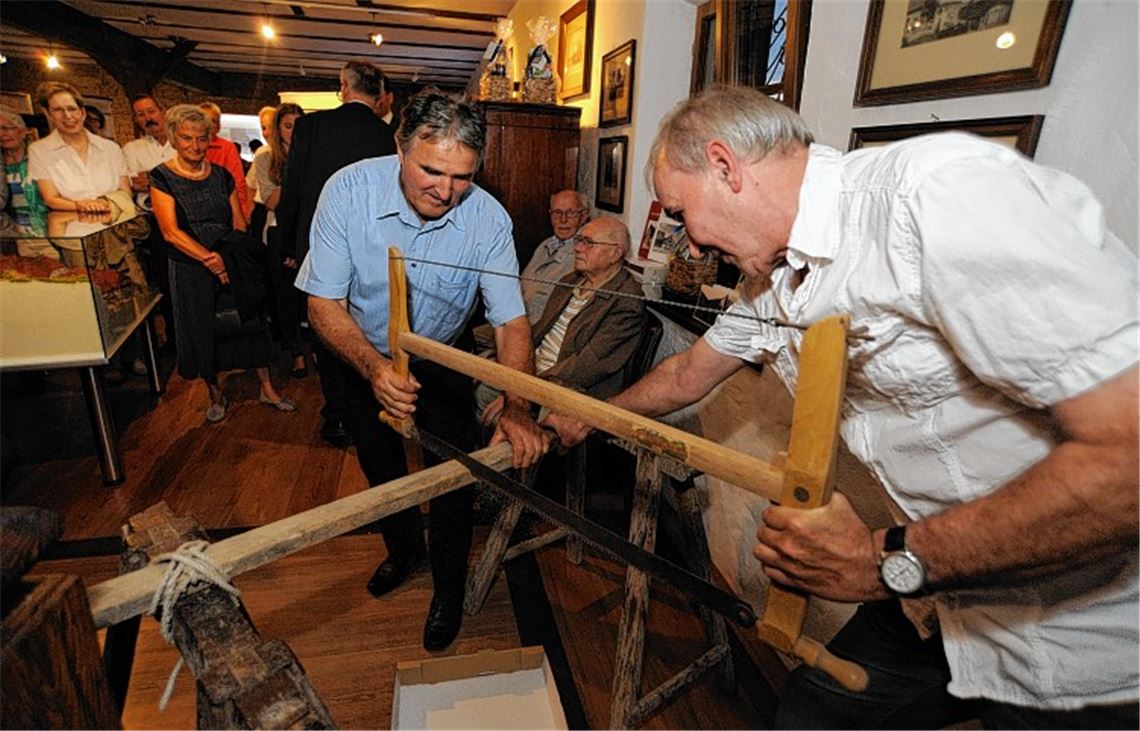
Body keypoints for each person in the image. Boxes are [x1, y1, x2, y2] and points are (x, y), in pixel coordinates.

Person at [544, 86, 1138, 728]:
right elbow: (687, 375)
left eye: (683, 214)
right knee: (810, 718)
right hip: (939, 594)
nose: (689, 246)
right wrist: (591, 414)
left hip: (1078, 633)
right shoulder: (772, 281)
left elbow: (1128, 459)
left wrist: (882, 563)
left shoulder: (933, 197)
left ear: (724, 166)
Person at [296, 88, 548, 652]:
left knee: (453, 477)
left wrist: (518, 406)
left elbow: (511, 322)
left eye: (462, 177)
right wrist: (373, 368)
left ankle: (449, 590)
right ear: (400, 147)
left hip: (441, 357)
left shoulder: (488, 218)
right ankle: (405, 551)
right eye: (431, 171)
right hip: (356, 351)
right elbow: (322, 303)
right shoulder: (347, 191)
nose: (445, 190)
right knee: (381, 464)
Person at [149, 104, 295, 423]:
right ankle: (214, 394)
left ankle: (267, 389)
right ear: (173, 138)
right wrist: (210, 260)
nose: (195, 145)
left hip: (230, 259)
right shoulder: (161, 177)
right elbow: (170, 232)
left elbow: (239, 221)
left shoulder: (221, 175)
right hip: (189, 266)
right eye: (187, 138)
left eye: (201, 138)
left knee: (252, 322)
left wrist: (228, 259)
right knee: (203, 329)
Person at [278, 58, 397, 447]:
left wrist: (288, 245)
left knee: (327, 325)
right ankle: (369, 407)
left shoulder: (311, 127)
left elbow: (293, 190)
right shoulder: (388, 135)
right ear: (380, 96)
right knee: (364, 325)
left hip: (319, 242)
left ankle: (338, 417)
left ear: (344, 86)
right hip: (373, 248)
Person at [476, 216, 645, 425]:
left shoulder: (627, 301)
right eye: (578, 240)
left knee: (485, 396)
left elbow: (585, 367)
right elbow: (539, 331)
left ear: (615, 253)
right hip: (534, 372)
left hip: (565, 389)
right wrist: (507, 359)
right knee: (478, 375)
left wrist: (523, 394)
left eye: (588, 243)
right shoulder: (571, 280)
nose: (578, 248)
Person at [250, 102, 308, 379]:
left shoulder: (310, 154)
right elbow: (272, 200)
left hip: (306, 231)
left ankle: (315, 348)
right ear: (277, 128)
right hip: (278, 231)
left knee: (309, 295)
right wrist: (295, 180)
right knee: (284, 296)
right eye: (287, 126)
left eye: (298, 125)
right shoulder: (266, 157)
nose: (293, 132)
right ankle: (297, 353)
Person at [28, 82, 129, 214]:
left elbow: (126, 192)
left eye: (72, 109)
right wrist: (81, 205)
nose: (67, 116)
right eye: (58, 110)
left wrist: (104, 203)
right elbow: (50, 198)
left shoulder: (111, 148)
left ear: (82, 112)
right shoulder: (39, 151)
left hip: (114, 221)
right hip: (71, 224)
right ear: (48, 114)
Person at [519, 189, 590, 324]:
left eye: (571, 213)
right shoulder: (545, 245)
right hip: (516, 319)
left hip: (538, 327)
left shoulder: (583, 254)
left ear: (584, 216)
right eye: (557, 213)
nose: (563, 220)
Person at [198, 101, 251, 221]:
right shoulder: (188, 148)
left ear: (219, 126)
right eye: (204, 120)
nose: (208, 125)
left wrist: (242, 213)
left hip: (222, 210)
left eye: (213, 121)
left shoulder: (227, 148)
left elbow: (237, 182)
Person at [122, 94, 173, 212]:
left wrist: (152, 181)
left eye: (151, 111)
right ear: (136, 120)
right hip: (150, 214)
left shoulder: (182, 144)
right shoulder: (131, 149)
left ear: (163, 112)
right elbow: (135, 184)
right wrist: (173, 179)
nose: (148, 118)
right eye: (141, 114)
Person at [0, 106, 47, 229]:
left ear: (22, 131)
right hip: (12, 230)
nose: (1, 134)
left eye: (6, 128)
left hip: (50, 224)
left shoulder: (43, 154)